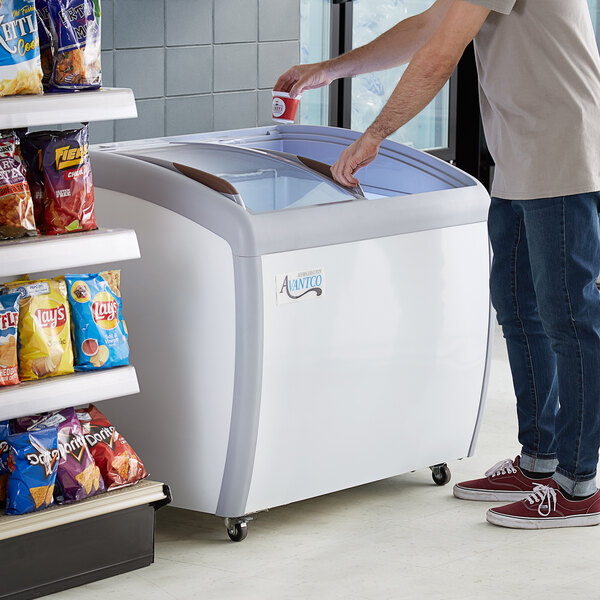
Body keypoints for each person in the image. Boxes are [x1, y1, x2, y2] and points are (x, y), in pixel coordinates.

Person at [275, 0, 600, 529]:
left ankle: (578, 484)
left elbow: (438, 56)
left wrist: (374, 134)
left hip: (559, 147)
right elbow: (430, 25)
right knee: (519, 309)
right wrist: (327, 70)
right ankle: (540, 461)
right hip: (519, 148)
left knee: (569, 315)